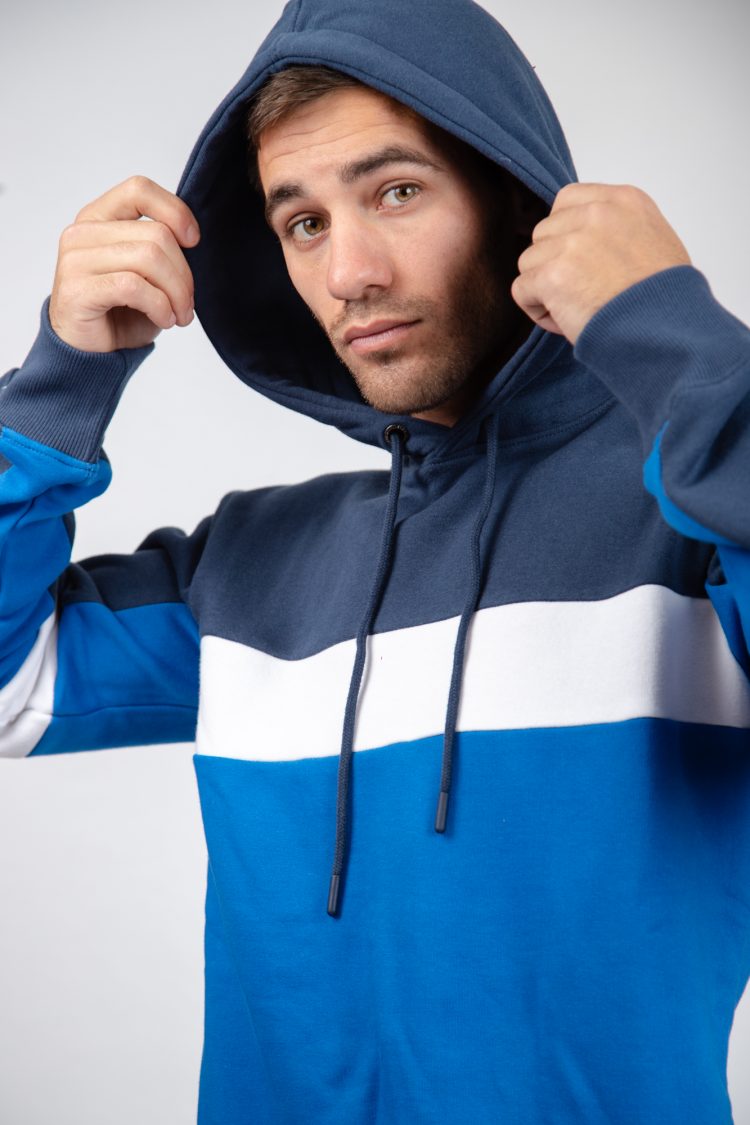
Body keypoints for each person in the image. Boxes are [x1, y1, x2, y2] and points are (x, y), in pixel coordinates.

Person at [1, 0, 749, 1121]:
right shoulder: (248, 566)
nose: (348, 271)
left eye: (396, 192)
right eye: (303, 223)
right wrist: (60, 385)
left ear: (517, 206)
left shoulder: (691, 531)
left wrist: (673, 337)